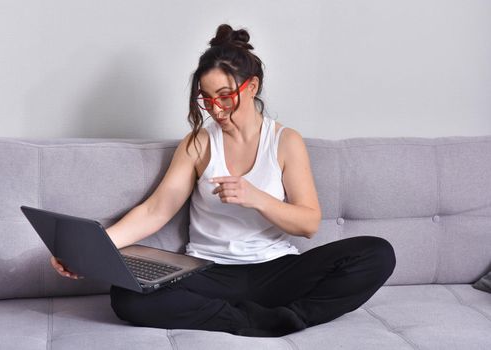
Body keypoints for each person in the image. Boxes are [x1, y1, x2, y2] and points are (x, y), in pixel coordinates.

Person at [51, 23, 396, 337]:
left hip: (275, 269)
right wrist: (87, 251)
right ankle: (252, 321)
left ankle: (291, 315)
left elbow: (308, 223)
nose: (216, 109)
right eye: (207, 99)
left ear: (253, 86)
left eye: (226, 97)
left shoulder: (285, 141)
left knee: (378, 254)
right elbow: (156, 210)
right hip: (209, 271)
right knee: (126, 297)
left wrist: (257, 197)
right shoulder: (199, 143)